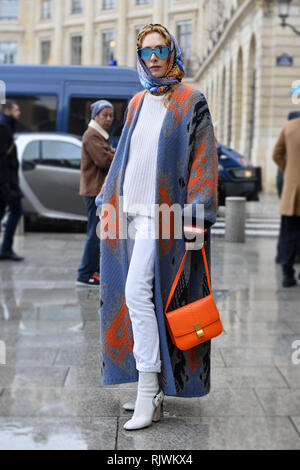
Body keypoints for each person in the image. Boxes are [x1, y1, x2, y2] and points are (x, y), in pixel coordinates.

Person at [96, 24, 218, 431]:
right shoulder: (135, 102)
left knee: (137, 293)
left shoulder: (191, 100)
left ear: (173, 51)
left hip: (162, 216)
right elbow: (126, 154)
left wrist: (198, 213)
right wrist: (106, 199)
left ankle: (150, 390)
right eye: (145, 51)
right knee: (135, 299)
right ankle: (149, 384)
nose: (153, 57)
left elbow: (204, 160)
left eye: (160, 49)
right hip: (126, 212)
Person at [77, 100, 115, 287]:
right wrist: (119, 155)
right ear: (95, 116)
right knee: (95, 233)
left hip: (97, 190)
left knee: (98, 232)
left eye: (111, 115)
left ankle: (93, 270)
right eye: (104, 115)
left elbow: (107, 154)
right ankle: (85, 274)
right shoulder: (91, 135)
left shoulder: (99, 135)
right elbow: (103, 160)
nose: (108, 119)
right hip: (94, 191)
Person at [273, 110, 300, 287]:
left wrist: (289, 173)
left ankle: (287, 273)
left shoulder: (289, 127)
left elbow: (277, 154)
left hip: (293, 192)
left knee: (288, 233)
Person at [0, 101, 24, 262]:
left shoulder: (7, 126)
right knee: (16, 210)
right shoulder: (3, 127)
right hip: (5, 182)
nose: (19, 112)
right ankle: (6, 249)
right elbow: (2, 159)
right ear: (7, 111)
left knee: (5, 212)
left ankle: (6, 249)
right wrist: (6, 185)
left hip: (6, 181)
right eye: (16, 110)